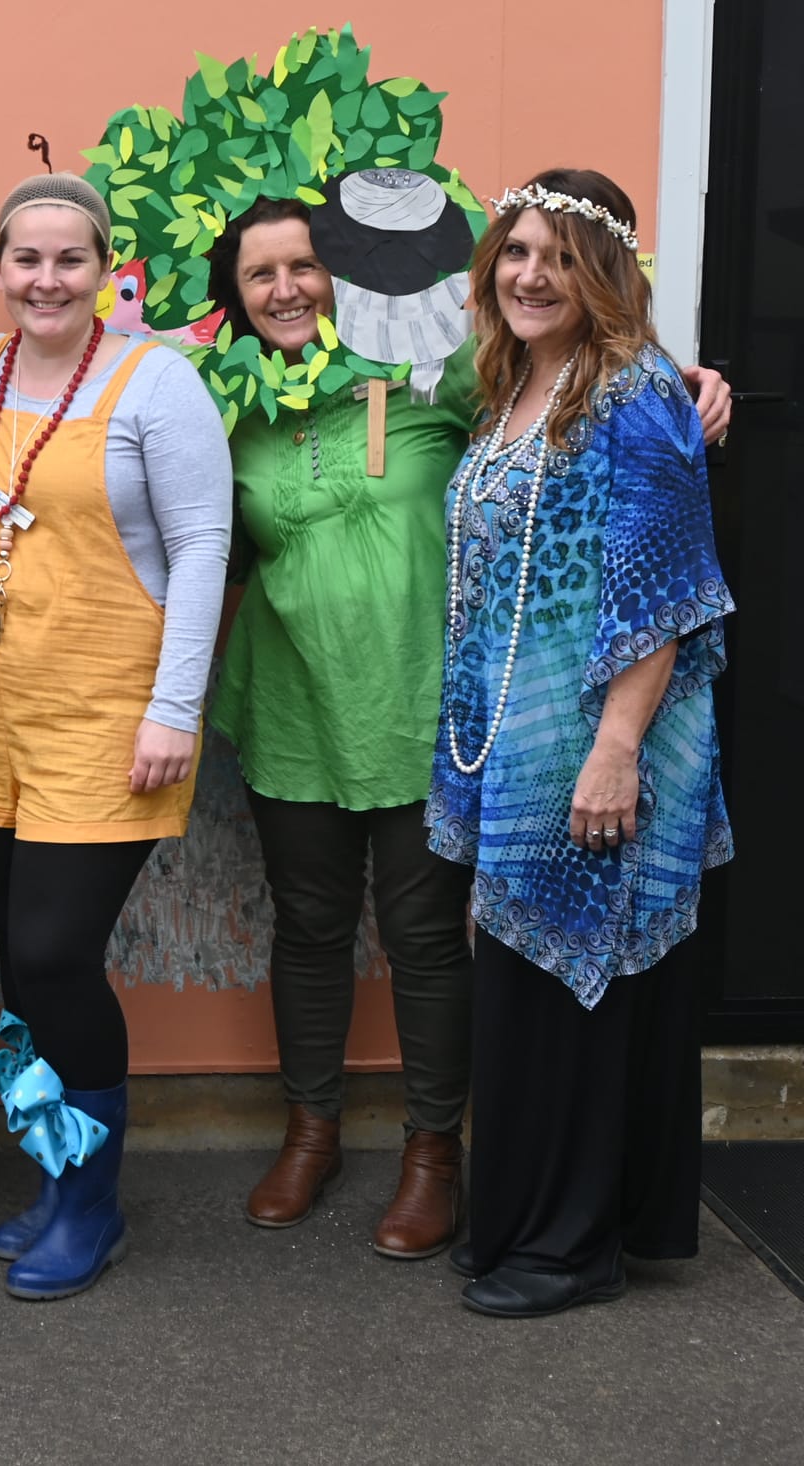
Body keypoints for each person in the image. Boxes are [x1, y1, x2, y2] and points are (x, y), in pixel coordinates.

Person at [204, 196, 734, 1260]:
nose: (285, 290)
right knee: (306, 927)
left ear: (345, 274)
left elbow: (562, 363)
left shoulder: (433, 379)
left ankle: (429, 1155)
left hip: (425, 714)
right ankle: (308, 1131)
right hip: (292, 709)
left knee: (424, 942)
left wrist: (685, 379)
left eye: (303, 265)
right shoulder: (224, 405)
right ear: (231, 298)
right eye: (258, 275)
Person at [428, 169, 732, 1318]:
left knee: (572, 985)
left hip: (597, 745)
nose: (528, 275)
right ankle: (519, 1223)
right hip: (510, 744)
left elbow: (657, 589)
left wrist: (610, 747)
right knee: (523, 991)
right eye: (513, 252)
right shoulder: (509, 388)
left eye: (557, 256)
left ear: (602, 272)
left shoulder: (635, 393)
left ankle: (566, 1247)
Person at [0, 172, 233, 1299]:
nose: (45, 278)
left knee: (56, 954)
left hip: (104, 720)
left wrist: (173, 707)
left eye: (69, 259)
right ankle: (55, 1178)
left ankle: (94, 1204)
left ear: (104, 267)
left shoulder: (157, 382)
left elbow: (203, 545)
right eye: (25, 258)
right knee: (22, 964)